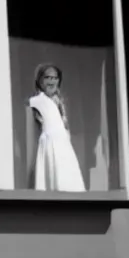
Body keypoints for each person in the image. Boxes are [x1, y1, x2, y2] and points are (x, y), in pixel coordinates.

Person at [28, 63, 86, 192]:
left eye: (55, 78)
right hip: (50, 143)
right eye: (47, 77)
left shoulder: (59, 102)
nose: (51, 81)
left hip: (64, 145)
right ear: (40, 80)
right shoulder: (37, 100)